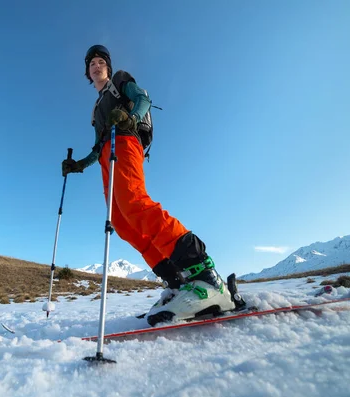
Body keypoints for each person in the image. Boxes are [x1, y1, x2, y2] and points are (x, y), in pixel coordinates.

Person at [62, 45, 236, 326]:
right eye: (91, 63)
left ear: (107, 66)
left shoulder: (120, 81)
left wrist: (130, 118)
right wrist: (79, 165)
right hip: (108, 155)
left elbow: (143, 98)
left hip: (127, 141)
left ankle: (205, 275)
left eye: (100, 62)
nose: (96, 66)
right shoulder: (97, 108)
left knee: (134, 203)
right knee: (120, 220)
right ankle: (178, 282)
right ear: (87, 71)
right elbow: (97, 146)